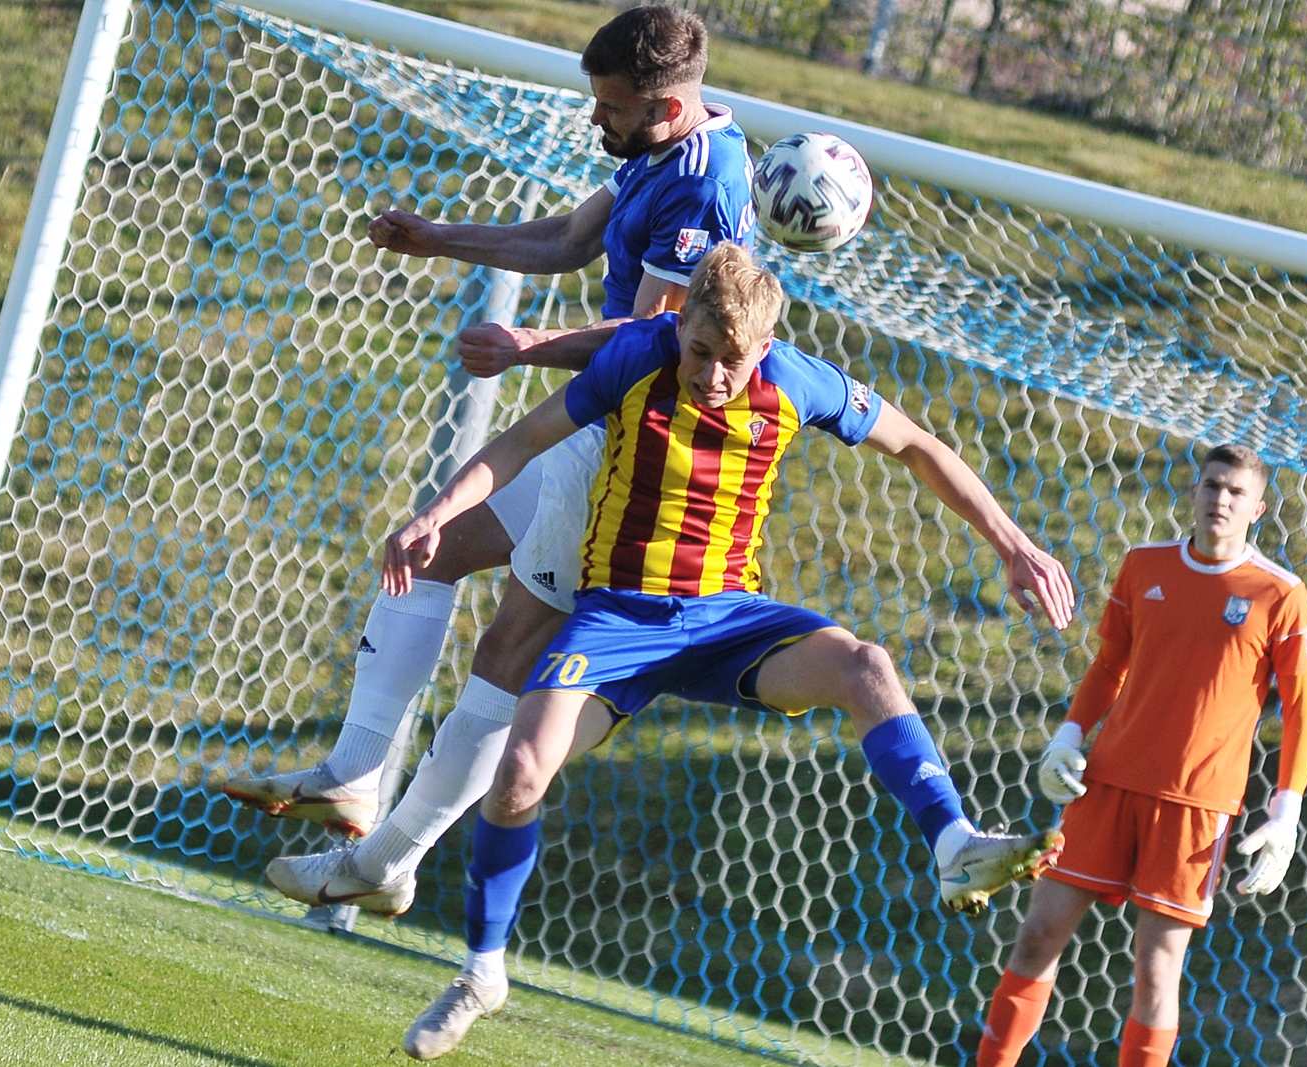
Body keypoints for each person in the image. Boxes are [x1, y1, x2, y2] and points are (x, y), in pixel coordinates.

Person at [271, 244, 1075, 1059]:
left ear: (764, 349)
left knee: (867, 666)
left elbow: (918, 445)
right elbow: (520, 440)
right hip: (617, 620)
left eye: (733, 361)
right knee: (519, 773)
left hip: (726, 619)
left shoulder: (798, 383)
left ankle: (953, 844)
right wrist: (435, 515)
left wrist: (1015, 546)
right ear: (678, 322)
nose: (712, 376)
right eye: (699, 351)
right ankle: (482, 972)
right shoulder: (635, 356)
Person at [223, 6, 757, 915]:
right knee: (426, 550)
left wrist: (528, 346)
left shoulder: (706, 183)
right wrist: (438, 236)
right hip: (595, 426)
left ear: (666, 106)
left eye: (611, 106)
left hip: (629, 456)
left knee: (510, 646)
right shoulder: (659, 153)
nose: (597, 118)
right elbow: (567, 240)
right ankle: (352, 776)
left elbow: (658, 339)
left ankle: (389, 859)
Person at [973, 443, 1307, 1067]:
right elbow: (1110, 665)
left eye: (1236, 492)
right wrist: (1069, 736)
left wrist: (1285, 812)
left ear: (1257, 510)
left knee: (1157, 971)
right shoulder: (1144, 565)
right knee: (1037, 935)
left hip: (1196, 804)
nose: (1220, 499)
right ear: (1193, 492)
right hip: (1106, 783)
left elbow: (1301, 711)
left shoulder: (1280, 593)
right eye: (1212, 485)